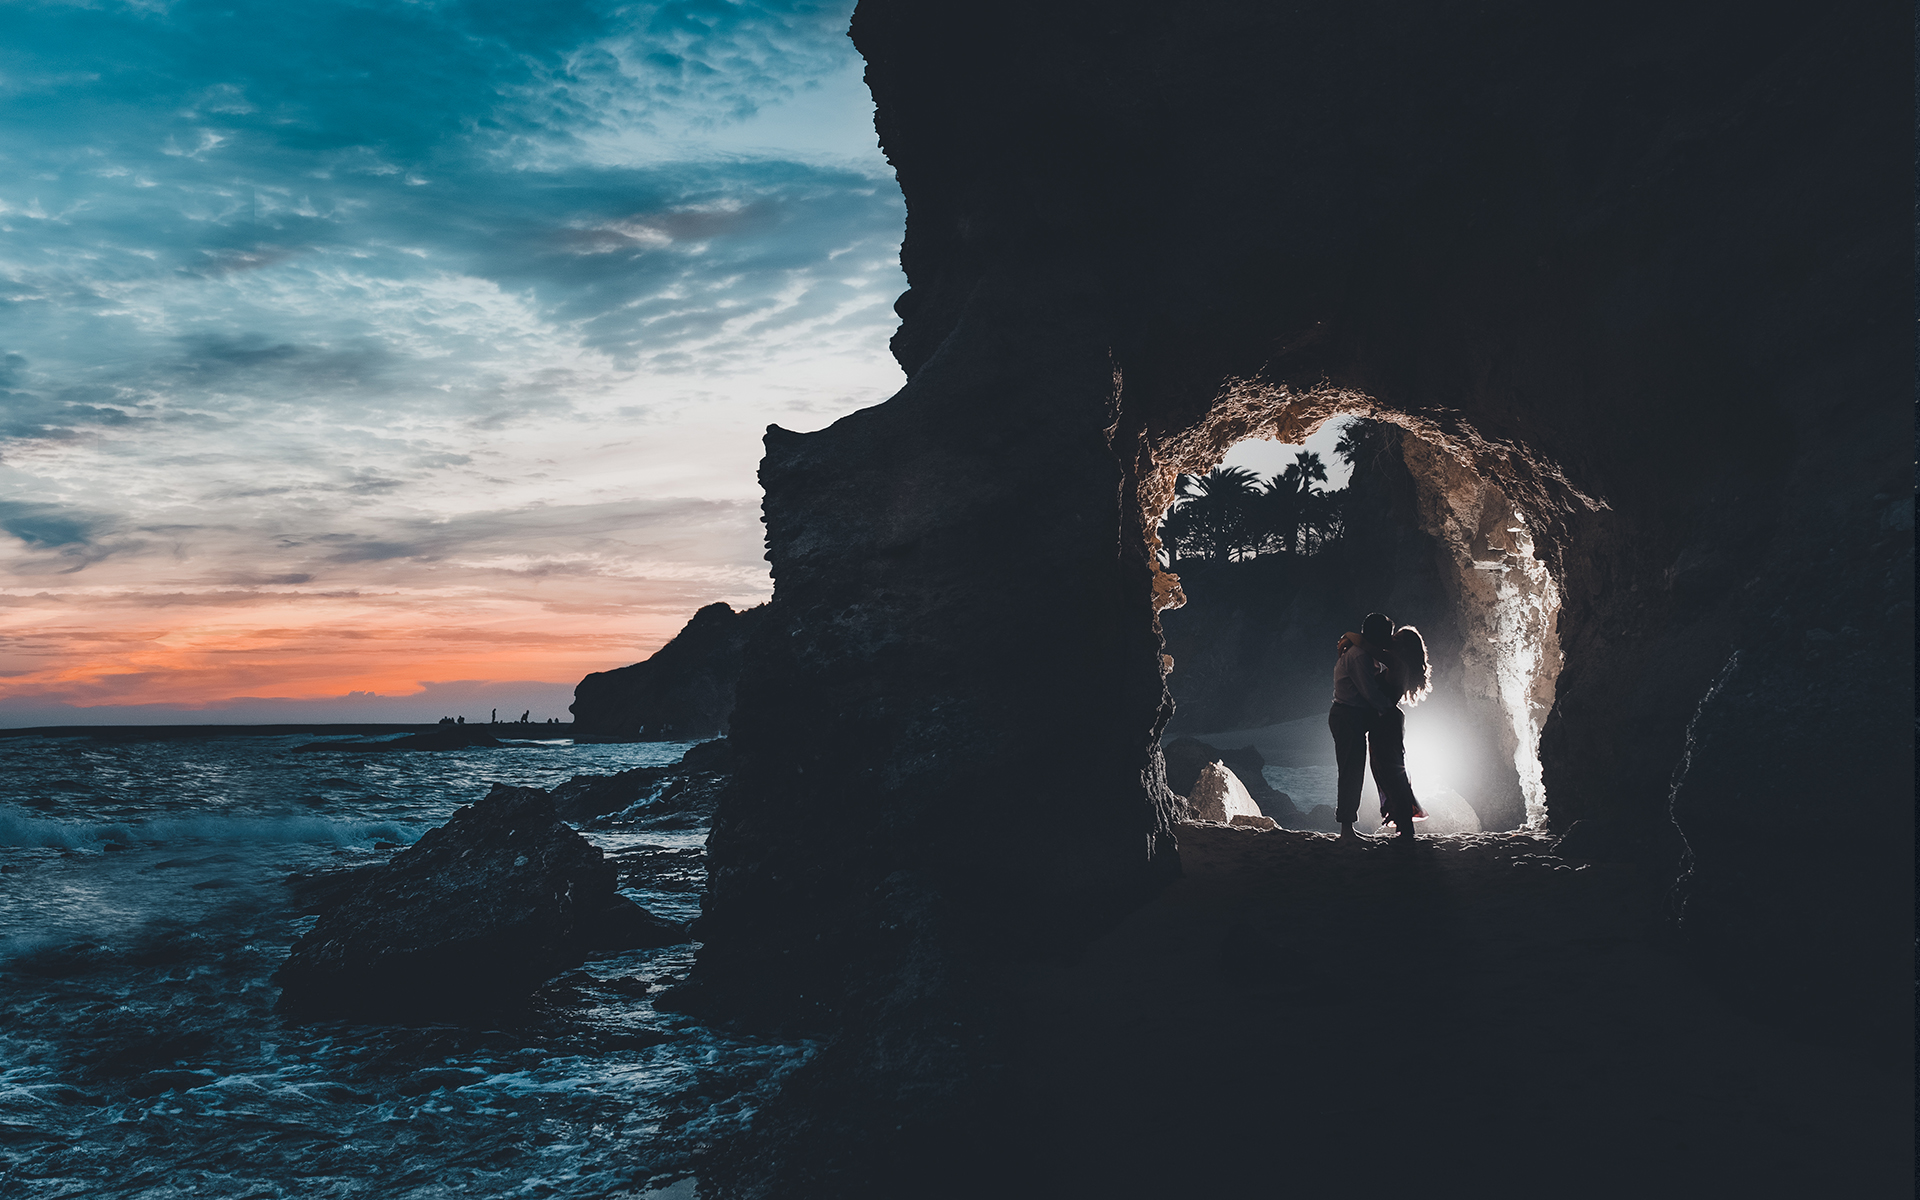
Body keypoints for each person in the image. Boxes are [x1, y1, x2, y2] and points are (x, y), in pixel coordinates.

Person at [1329, 612, 1400, 841]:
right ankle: (1346, 830)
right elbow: (1368, 691)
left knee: (1352, 770)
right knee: (1351, 771)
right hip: (1348, 716)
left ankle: (1348, 827)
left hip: (1351, 715)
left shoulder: (1362, 652)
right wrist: (1388, 709)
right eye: (1386, 635)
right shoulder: (1359, 656)